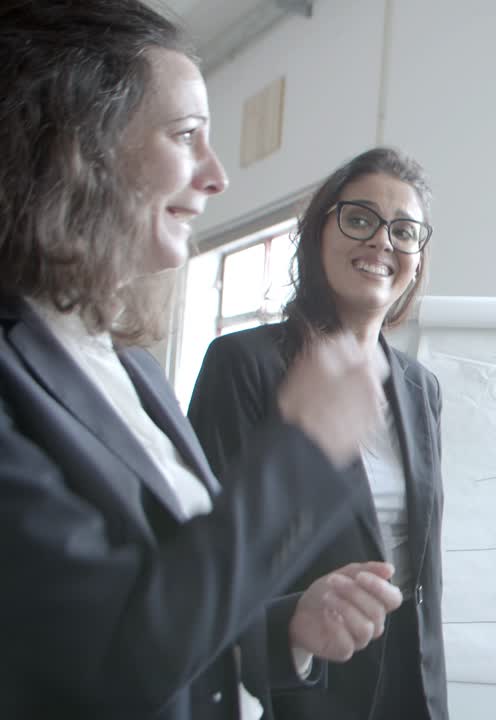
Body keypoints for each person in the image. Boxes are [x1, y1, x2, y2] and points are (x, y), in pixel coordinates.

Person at [0, 3, 404, 718]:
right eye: (187, 135)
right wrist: (302, 452)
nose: (218, 176)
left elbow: (177, 595)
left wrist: (285, 628)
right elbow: (108, 665)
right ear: (79, 148)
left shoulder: (131, 368)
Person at [188, 147, 448, 720]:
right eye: (359, 219)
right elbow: (207, 553)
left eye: (404, 231)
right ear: (318, 233)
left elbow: (420, 565)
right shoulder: (244, 364)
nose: (381, 242)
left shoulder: (420, 387)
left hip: (409, 684)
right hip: (298, 686)